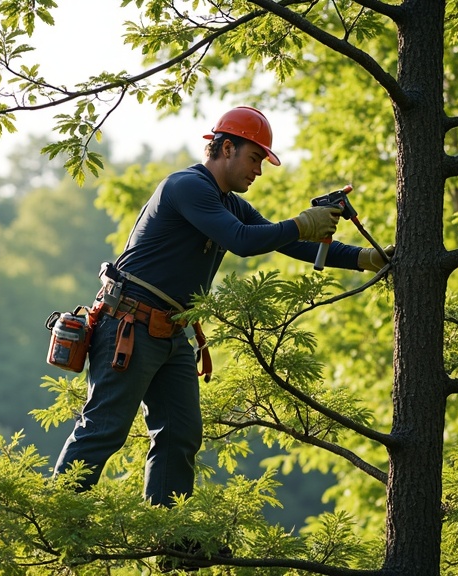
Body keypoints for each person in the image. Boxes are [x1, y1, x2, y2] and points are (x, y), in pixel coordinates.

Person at [53, 106, 391, 508]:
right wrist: (304, 222)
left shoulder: (228, 203)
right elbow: (244, 242)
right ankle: (56, 521)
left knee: (180, 433)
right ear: (226, 148)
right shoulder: (187, 186)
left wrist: (364, 258)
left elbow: (284, 241)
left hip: (172, 332)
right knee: (104, 428)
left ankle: (170, 539)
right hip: (129, 322)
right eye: (254, 158)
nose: (259, 171)